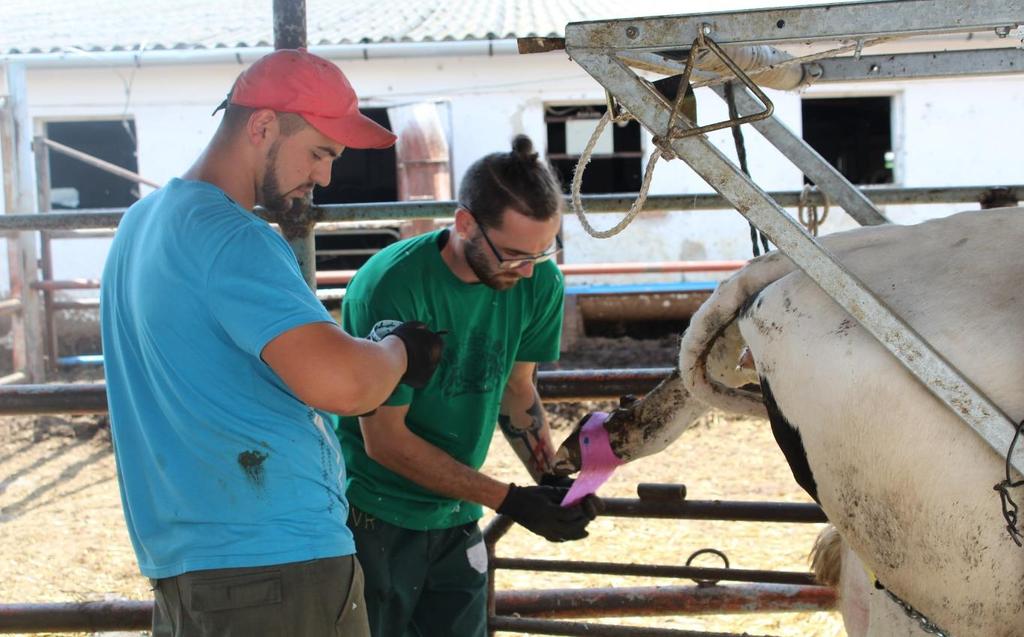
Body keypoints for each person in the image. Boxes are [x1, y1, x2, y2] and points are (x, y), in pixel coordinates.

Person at [99, 48, 444, 637]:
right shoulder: (234, 237)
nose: (326, 176)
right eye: (319, 152)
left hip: (189, 567)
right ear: (261, 125)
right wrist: (401, 350)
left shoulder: (141, 222)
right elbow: (345, 384)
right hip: (275, 564)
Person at [335, 135, 600, 637]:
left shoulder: (539, 281)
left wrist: (550, 482)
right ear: (464, 224)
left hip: (457, 509)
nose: (526, 271)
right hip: (374, 511)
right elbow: (385, 442)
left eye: (542, 254)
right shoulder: (392, 285)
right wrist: (511, 501)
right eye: (515, 255)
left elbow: (517, 389)